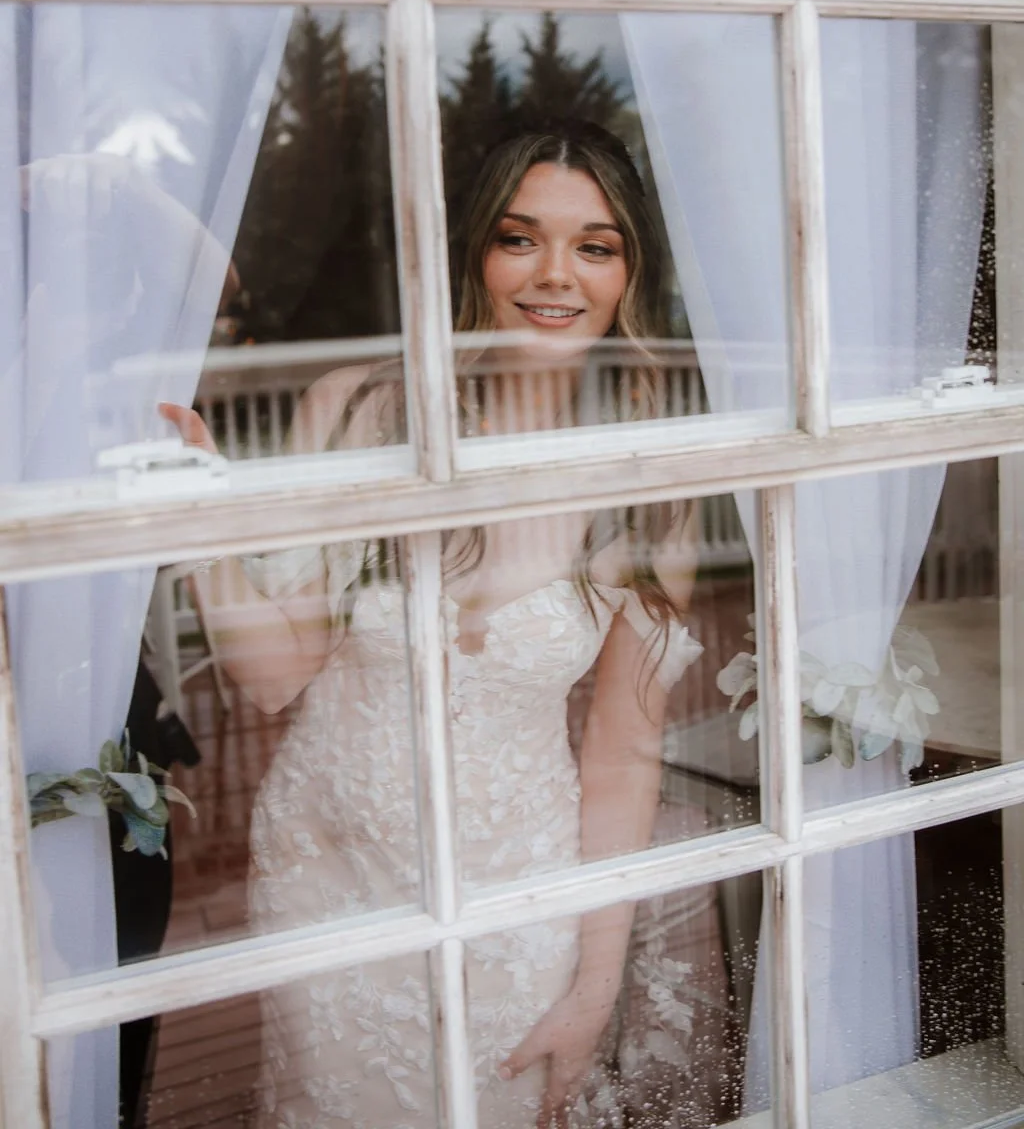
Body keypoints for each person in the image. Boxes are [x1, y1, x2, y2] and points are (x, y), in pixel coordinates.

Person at [161, 119, 702, 1129]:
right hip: (325, 875)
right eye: (518, 237)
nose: (553, 274)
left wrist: (592, 989)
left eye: (594, 246)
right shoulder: (363, 409)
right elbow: (274, 675)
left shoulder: (651, 475)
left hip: (517, 891)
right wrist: (202, 524)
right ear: (473, 257)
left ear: (631, 275)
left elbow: (624, 758)